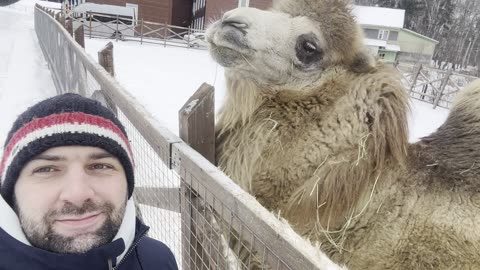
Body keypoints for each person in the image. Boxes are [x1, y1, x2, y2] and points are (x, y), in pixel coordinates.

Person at [0, 93, 178, 270]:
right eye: (46, 169)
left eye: (100, 166)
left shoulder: (156, 260)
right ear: (11, 191)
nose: (78, 194)